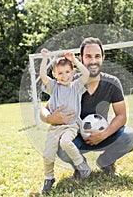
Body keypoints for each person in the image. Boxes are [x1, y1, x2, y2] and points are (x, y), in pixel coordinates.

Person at [40, 37, 133, 181]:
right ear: (80, 58)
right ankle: (80, 167)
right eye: (88, 56)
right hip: (76, 135)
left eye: (97, 56)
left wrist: (104, 133)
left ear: (103, 58)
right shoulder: (69, 83)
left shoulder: (112, 82)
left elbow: (121, 116)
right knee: (62, 148)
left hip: (103, 132)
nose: (93, 60)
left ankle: (105, 162)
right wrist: (50, 118)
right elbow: (44, 110)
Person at [39, 49, 91, 193]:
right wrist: (45, 58)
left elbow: (86, 74)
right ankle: (49, 178)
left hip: (71, 125)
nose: (64, 76)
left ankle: (82, 167)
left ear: (72, 72)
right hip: (55, 127)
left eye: (67, 72)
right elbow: (43, 75)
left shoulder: (76, 87)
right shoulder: (54, 87)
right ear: (55, 75)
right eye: (60, 73)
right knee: (47, 154)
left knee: (65, 142)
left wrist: (74, 60)